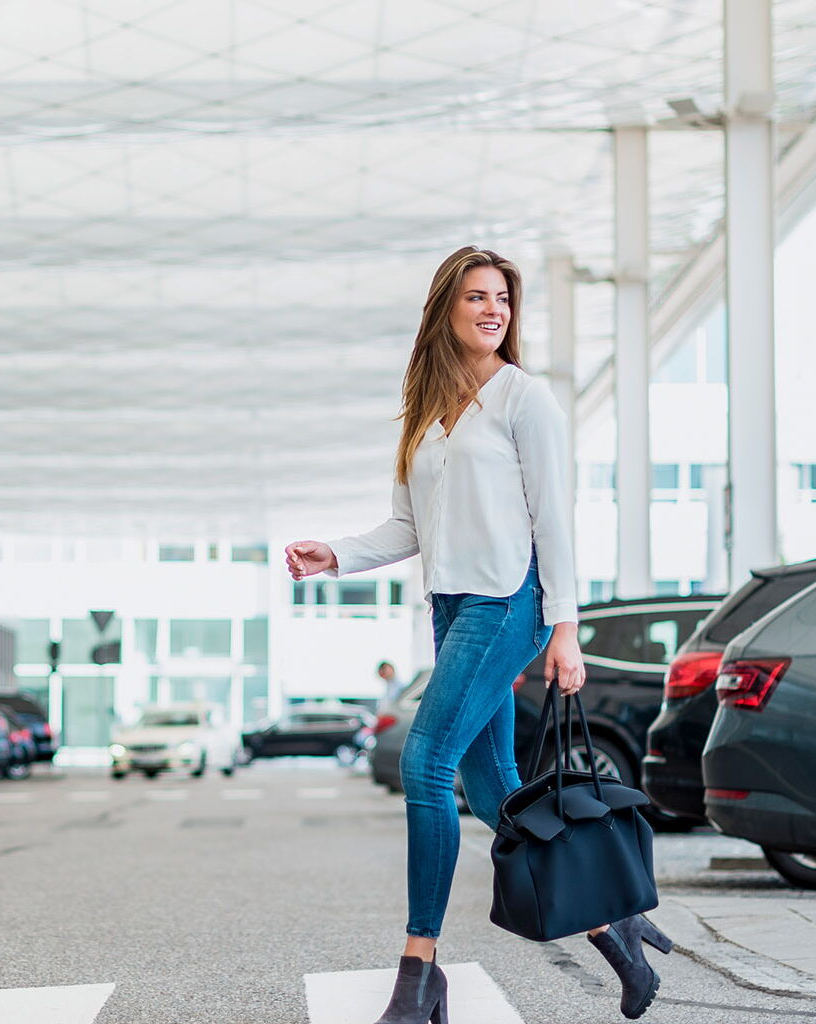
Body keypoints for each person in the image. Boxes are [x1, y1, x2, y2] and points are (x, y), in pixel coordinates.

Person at [284, 247, 670, 1022]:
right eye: (475, 298)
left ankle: (419, 969)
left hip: (508, 603)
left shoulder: (526, 400)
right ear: (444, 312)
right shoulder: (424, 413)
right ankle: (614, 926)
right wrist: (339, 556)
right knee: (495, 789)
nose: (493, 310)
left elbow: (553, 518)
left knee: (427, 766)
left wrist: (566, 626)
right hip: (453, 608)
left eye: (501, 299)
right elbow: (407, 525)